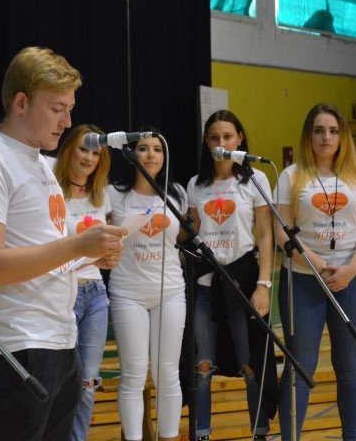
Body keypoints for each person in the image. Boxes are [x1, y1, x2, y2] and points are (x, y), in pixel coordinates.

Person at [0, 46, 125, 440]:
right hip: (15, 347)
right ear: (21, 103)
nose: (68, 121)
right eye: (57, 108)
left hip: (58, 340)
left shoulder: (40, 164)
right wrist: (78, 246)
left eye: (70, 108)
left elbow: (41, 250)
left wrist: (89, 257)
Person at [275, 103, 356, 441]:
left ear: (342, 135)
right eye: (319, 130)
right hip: (303, 280)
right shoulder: (291, 176)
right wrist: (320, 266)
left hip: (354, 281)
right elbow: (282, 234)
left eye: (333, 131)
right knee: (299, 366)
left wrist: (349, 270)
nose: (326, 137)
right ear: (309, 135)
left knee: (350, 366)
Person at [187, 110, 277, 441]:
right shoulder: (195, 184)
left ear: (239, 138)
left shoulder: (255, 179)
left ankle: (259, 432)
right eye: (215, 137)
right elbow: (192, 235)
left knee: (250, 362)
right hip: (205, 285)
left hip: (242, 283)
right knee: (202, 366)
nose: (221, 143)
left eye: (227, 136)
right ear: (206, 142)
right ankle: (201, 432)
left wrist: (264, 285)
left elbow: (265, 235)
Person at [108, 126, 187, 441]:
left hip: (170, 293)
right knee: (134, 374)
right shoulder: (113, 193)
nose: (150, 155)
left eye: (157, 149)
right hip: (128, 294)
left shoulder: (176, 193)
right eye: (143, 148)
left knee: (167, 373)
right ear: (131, 154)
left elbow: (182, 238)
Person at [53, 124, 112, 441]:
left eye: (95, 152)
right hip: (65, 291)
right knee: (62, 380)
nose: (89, 157)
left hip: (97, 294)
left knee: (88, 381)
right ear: (68, 151)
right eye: (83, 149)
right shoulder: (53, 191)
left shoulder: (101, 194)